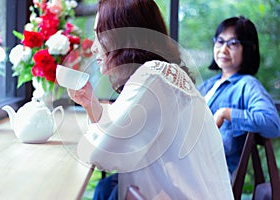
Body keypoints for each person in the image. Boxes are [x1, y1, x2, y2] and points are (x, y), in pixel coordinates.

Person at [68, 0, 234, 199]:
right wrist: (91, 103)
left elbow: (101, 153)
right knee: (106, 188)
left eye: (100, 35)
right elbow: (119, 130)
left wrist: (92, 120)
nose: (94, 47)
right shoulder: (161, 73)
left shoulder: (154, 75)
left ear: (123, 35)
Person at [198, 16, 280, 180]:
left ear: (249, 49)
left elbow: (272, 123)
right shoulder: (207, 86)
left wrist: (226, 113)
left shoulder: (247, 85)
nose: (223, 49)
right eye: (220, 41)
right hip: (192, 164)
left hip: (213, 175)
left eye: (233, 43)